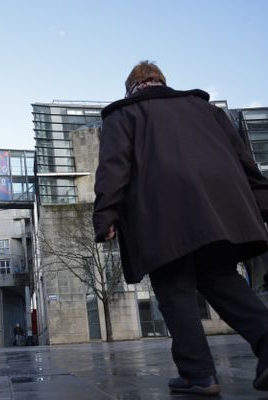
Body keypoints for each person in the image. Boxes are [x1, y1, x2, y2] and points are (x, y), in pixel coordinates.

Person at [93, 60, 268, 396]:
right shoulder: (206, 110)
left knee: (174, 287)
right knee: (221, 278)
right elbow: (244, 158)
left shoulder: (124, 115)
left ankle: (198, 374)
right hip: (220, 211)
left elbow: (114, 168)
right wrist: (262, 202)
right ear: (162, 82)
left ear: (132, 87)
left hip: (162, 215)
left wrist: (106, 216)